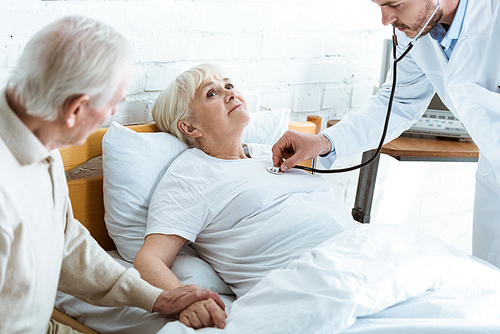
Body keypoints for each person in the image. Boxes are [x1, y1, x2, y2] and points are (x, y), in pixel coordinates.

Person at [0, 16, 225, 334]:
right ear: (75, 110)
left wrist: (156, 298)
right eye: (113, 104)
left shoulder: (39, 134)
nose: (113, 115)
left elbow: (67, 243)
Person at [272, 0, 500, 269]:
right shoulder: (419, 34)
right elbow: (396, 104)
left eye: (394, 4)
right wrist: (323, 142)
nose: (385, 19)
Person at [133, 63, 357, 329]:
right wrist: (187, 301)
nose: (231, 94)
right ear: (190, 127)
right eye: (211, 94)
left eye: (229, 86)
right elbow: (149, 260)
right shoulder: (191, 176)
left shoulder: (270, 153)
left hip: (358, 250)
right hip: (312, 279)